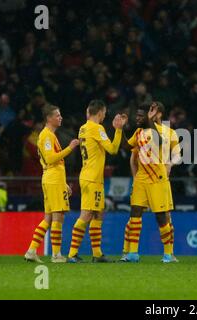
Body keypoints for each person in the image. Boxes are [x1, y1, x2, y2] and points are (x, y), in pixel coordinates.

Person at [119, 102, 180, 263]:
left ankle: (168, 254)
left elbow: (160, 143)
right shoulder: (139, 132)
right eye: (137, 115)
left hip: (157, 179)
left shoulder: (164, 132)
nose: (136, 118)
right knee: (135, 215)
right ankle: (132, 253)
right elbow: (126, 146)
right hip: (141, 179)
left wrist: (170, 164)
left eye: (140, 116)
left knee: (161, 218)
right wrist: (119, 129)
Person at [67, 100, 127, 263]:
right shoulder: (97, 128)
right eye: (104, 113)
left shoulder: (83, 128)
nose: (105, 116)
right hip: (92, 178)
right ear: (100, 112)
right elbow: (113, 149)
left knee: (99, 213)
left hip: (89, 176)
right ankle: (72, 254)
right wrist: (118, 130)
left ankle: (97, 254)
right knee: (86, 214)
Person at [24, 105, 79, 263]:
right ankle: (56, 255)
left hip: (53, 179)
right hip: (53, 179)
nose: (60, 117)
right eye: (57, 115)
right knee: (58, 216)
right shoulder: (47, 136)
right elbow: (50, 159)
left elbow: (54, 161)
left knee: (48, 218)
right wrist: (70, 147)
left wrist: (64, 183)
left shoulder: (49, 135)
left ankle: (32, 251)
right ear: (49, 118)